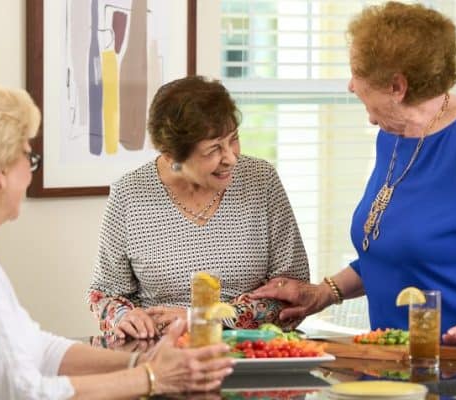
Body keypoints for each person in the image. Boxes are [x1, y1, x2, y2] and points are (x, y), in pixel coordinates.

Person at [251, 2, 456, 361]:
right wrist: (324, 292)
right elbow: (398, 251)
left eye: (357, 74)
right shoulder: (395, 136)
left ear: (397, 86)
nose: (351, 86)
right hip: (404, 366)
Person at [0, 84, 234, 399]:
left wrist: (138, 362)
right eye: (28, 157)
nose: (29, 171)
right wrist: (153, 378)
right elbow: (25, 393)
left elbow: (36, 349)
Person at [87, 76, 310, 340]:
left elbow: (294, 293)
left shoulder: (260, 180)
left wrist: (207, 319)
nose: (230, 157)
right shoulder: (130, 194)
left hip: (252, 354)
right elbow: (105, 293)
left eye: (233, 139)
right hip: (161, 355)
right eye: (213, 150)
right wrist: (124, 317)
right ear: (172, 156)